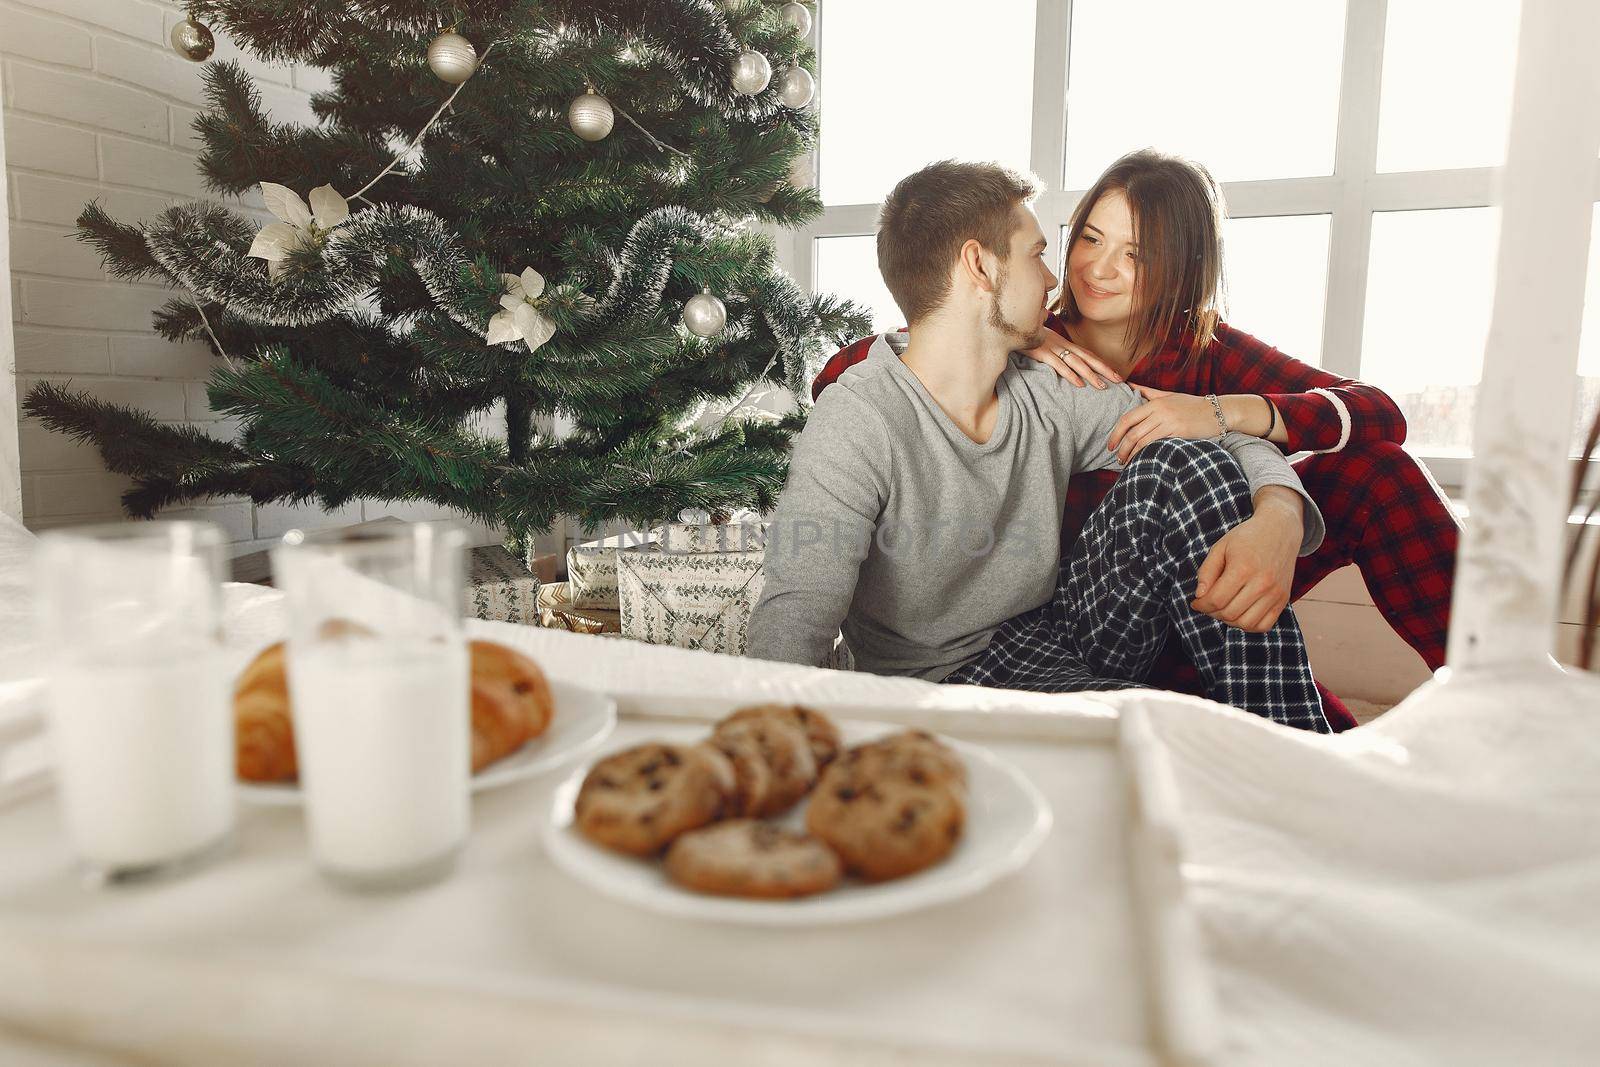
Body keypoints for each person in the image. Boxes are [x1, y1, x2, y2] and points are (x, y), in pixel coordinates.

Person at [811, 149, 1460, 730]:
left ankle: (1494, 685)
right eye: (1091, 237)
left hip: (1207, 606)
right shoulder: (1011, 333)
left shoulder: (1203, 348)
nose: (1099, 268)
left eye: (1137, 255)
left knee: (1377, 471)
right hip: (1064, 632)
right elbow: (841, 379)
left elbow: (1378, 413)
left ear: (1184, 268)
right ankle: (1270, 728)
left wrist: (1243, 450)